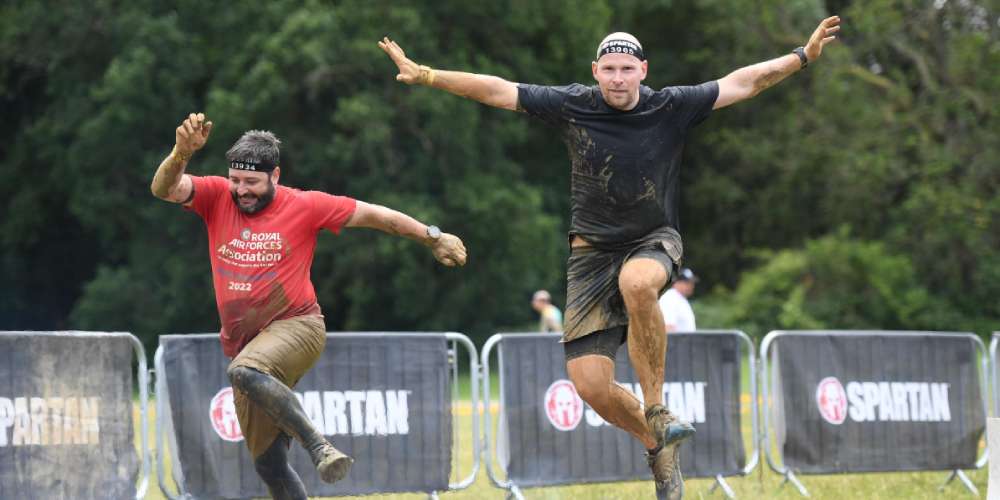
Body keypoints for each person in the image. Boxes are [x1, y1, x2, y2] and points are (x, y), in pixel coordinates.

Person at [379, 15, 839, 498]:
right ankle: (657, 446)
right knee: (591, 387)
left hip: (652, 239)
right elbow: (497, 89)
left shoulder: (671, 106)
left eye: (627, 69)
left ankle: (657, 408)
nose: (618, 79)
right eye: (609, 70)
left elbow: (742, 82)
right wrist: (427, 74)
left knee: (638, 285)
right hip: (590, 255)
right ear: (596, 71)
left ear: (643, 69)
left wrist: (802, 56)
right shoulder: (574, 104)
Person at [150, 114, 467, 500]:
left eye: (251, 182)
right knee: (269, 465)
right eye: (235, 180)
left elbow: (378, 216)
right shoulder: (216, 196)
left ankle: (319, 446)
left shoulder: (306, 205)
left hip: (298, 326)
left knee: (244, 371)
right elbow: (163, 188)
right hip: (244, 344)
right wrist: (181, 153)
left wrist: (432, 236)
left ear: (275, 176)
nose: (241, 190)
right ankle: (309, 450)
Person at [659, 268, 697, 333]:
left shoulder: (681, 298)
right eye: (687, 283)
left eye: (691, 283)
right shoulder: (669, 298)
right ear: (676, 283)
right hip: (677, 342)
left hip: (685, 342)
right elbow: (668, 328)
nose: (691, 286)